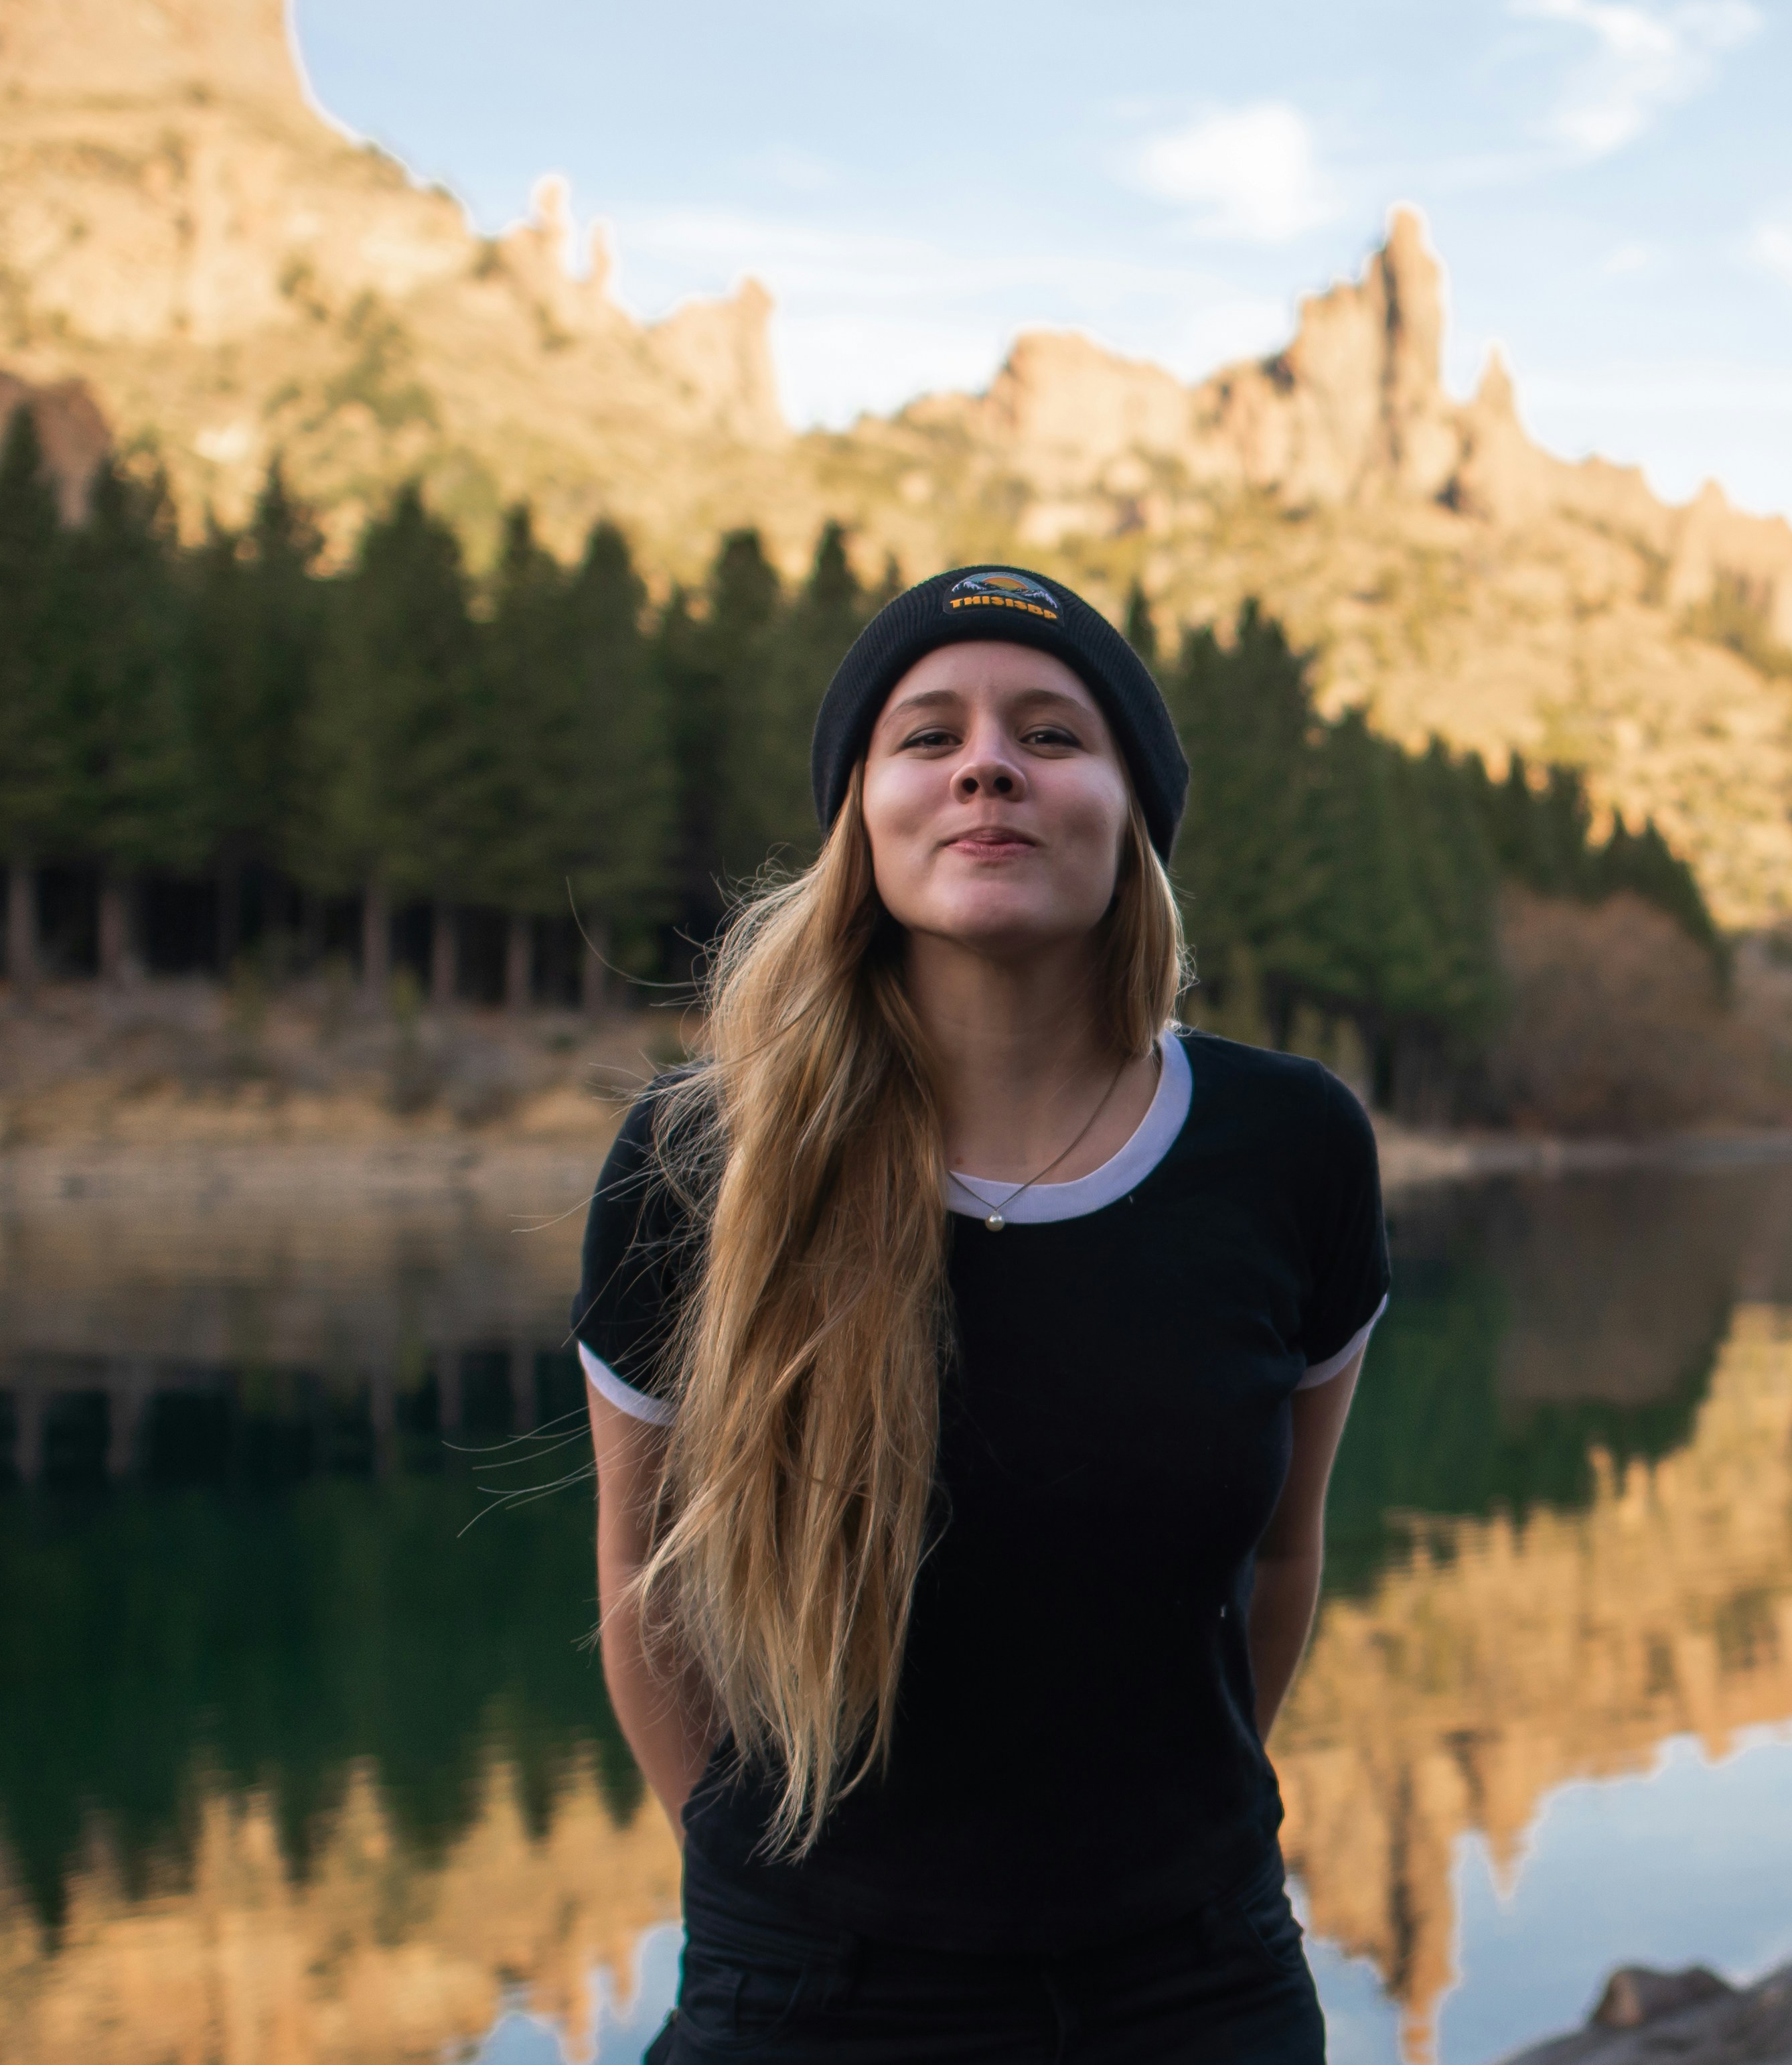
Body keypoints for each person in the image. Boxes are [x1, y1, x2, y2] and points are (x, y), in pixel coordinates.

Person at [575, 564, 1386, 2062]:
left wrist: (1154, 1856)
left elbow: (1282, 1552)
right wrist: (773, 1895)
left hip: (1195, 1986)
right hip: (807, 1996)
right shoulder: (702, 1161)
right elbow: (643, 1586)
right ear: (860, 820)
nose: (987, 764)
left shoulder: (1290, 1147)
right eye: (927, 735)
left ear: (1130, 818)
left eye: (1052, 734)